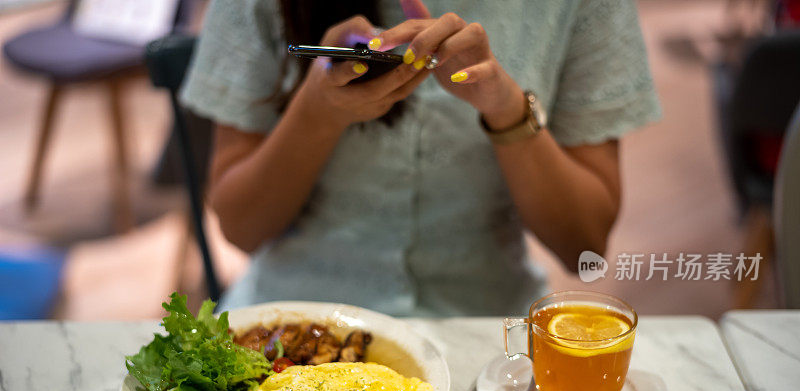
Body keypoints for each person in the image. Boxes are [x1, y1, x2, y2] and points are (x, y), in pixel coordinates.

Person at [180, 0, 660, 317]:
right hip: (293, 320)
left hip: (485, 328)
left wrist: (507, 109)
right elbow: (241, 229)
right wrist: (316, 112)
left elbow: (585, 247)